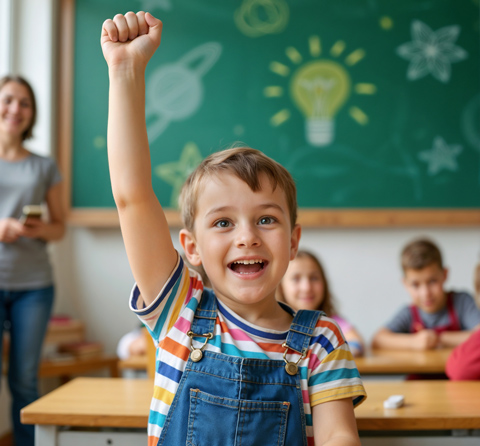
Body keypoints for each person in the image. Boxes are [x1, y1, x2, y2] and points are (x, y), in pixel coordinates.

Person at [101, 11, 366, 446]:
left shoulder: (322, 339)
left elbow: (340, 436)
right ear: (192, 248)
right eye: (223, 222)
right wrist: (126, 71)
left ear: (294, 240)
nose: (248, 236)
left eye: (266, 219)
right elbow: (131, 197)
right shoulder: (180, 312)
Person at [0, 75, 65, 445]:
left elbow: (60, 229)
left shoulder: (44, 166)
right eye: (8, 99)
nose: (15, 109)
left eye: (24, 103)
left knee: (24, 379)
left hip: (34, 286)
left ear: (32, 113)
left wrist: (37, 229)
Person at [372, 238, 480, 351]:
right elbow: (377, 340)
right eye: (415, 285)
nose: (426, 293)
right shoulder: (408, 313)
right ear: (405, 284)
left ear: (444, 275)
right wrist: (413, 342)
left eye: (432, 281)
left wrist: (439, 338)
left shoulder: (461, 302)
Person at [278, 250, 364, 357]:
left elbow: (356, 342)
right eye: (296, 279)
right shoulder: (274, 324)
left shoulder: (332, 322)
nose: (306, 287)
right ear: (281, 286)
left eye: (314, 278)